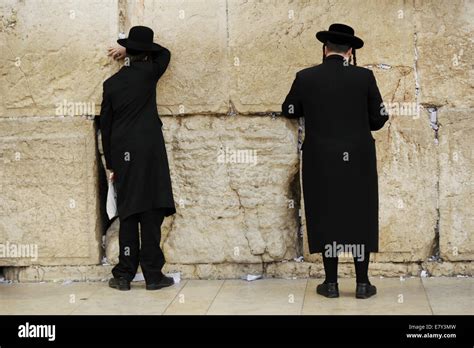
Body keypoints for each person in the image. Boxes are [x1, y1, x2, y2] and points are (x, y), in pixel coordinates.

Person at [282, 23, 389, 299]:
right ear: (350, 51)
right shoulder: (364, 77)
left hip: (320, 158)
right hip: (358, 158)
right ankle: (363, 284)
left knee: (325, 212)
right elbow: (378, 119)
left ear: (324, 49)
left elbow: (289, 109)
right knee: (359, 213)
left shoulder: (306, 77)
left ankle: (330, 284)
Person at [100, 26, 176, 291]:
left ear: (128, 51)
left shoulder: (111, 84)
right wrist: (131, 50)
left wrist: (111, 163)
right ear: (147, 51)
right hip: (150, 152)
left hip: (123, 154)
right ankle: (153, 275)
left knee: (129, 213)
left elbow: (106, 128)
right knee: (152, 210)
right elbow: (165, 54)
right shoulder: (149, 73)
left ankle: (123, 275)